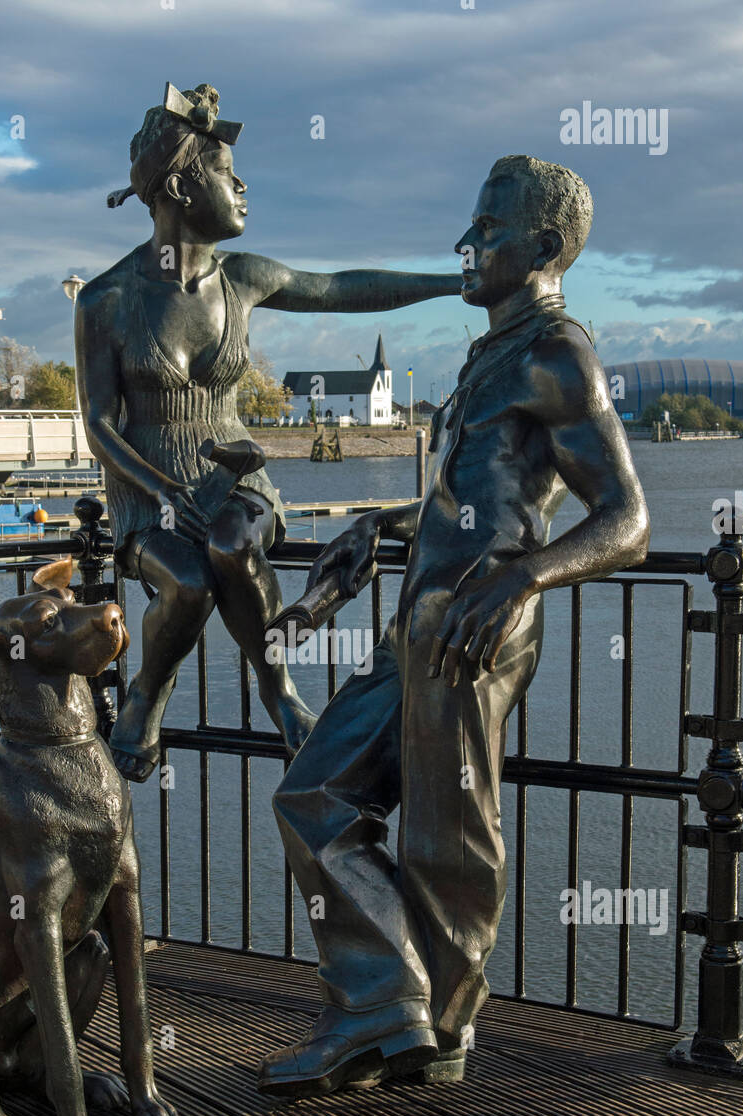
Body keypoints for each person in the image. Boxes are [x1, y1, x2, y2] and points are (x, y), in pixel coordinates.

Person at [260, 155, 650, 1098]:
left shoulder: (560, 354)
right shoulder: (488, 352)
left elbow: (628, 519)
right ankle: (384, 1006)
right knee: (313, 797)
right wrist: (381, 526)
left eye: (486, 231)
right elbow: (476, 497)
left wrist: (524, 579)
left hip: (476, 627)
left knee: (449, 837)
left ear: (545, 249)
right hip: (419, 621)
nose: (463, 247)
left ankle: (435, 1032)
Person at [77, 82, 461, 781]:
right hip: (147, 489)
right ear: (181, 188)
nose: (244, 187)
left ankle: (278, 689)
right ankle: (147, 693)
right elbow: (98, 425)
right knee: (187, 584)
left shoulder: (243, 279)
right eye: (227, 174)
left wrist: (453, 282)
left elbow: (342, 288)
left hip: (238, 481)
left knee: (230, 543)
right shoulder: (108, 299)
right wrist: (164, 490)